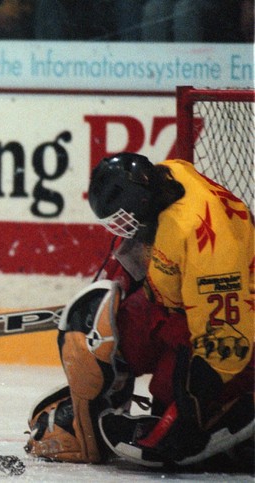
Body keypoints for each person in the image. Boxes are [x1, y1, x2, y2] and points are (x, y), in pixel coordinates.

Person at [25, 153, 254, 470]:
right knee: (107, 332)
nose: (122, 228)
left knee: (170, 391)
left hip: (240, 326)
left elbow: (228, 339)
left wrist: (192, 409)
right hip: (184, 307)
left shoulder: (204, 237)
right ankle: (101, 400)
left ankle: (235, 419)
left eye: (123, 219)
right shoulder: (169, 177)